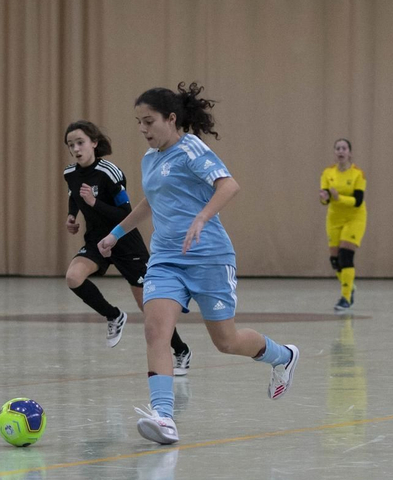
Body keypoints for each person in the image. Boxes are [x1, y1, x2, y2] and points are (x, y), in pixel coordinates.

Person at [98, 83, 299, 446]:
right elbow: (151, 201)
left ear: (171, 119)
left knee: (227, 341)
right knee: (155, 330)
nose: (143, 129)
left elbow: (229, 186)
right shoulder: (150, 158)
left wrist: (202, 218)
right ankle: (164, 417)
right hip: (165, 259)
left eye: (150, 121)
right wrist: (116, 233)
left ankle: (283, 355)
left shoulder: (191, 148)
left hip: (209, 258)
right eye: (138, 123)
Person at [63, 120, 191, 371]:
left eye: (80, 142)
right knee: (73, 277)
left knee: (149, 309)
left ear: (94, 143)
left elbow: (125, 212)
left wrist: (94, 203)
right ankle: (113, 315)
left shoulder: (110, 172)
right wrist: (72, 215)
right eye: (71, 145)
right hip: (96, 242)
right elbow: (74, 195)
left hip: (124, 242)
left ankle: (181, 350)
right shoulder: (70, 173)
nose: (76, 149)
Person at [318, 138, 367, 312]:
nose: (341, 151)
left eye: (344, 148)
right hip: (334, 219)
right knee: (335, 260)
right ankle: (350, 285)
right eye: (337, 148)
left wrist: (339, 198)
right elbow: (326, 198)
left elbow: (358, 201)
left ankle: (345, 298)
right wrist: (325, 199)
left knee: (346, 256)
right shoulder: (328, 173)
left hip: (354, 218)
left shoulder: (357, 174)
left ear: (350, 152)